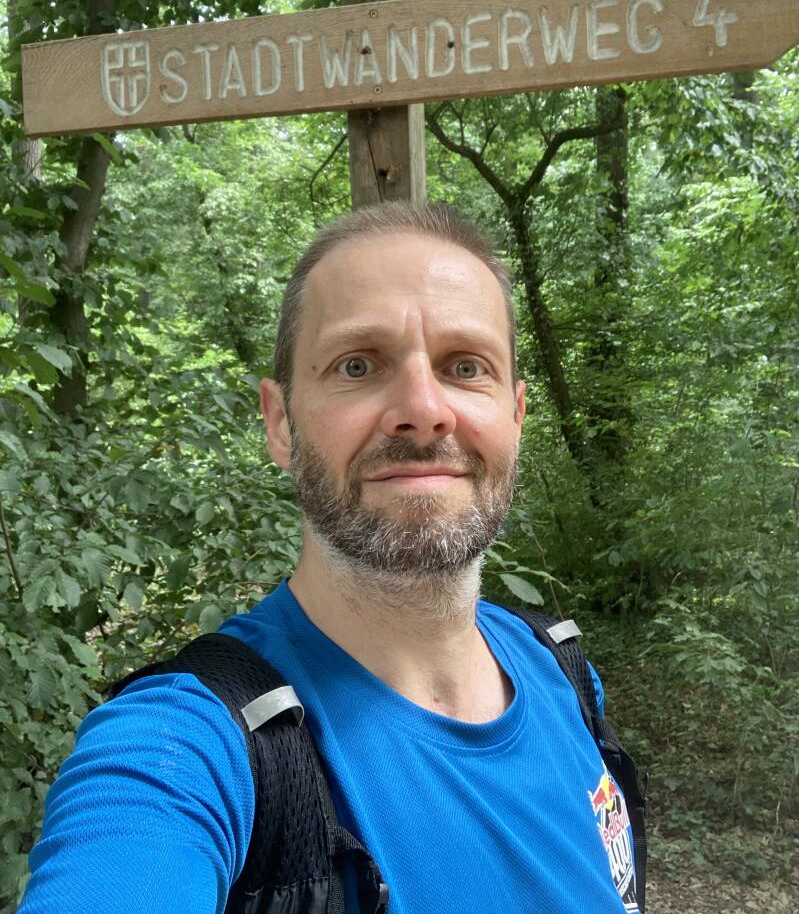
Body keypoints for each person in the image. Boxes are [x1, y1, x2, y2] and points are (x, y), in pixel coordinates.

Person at [19, 201, 640, 913]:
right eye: (357, 365)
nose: (422, 408)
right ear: (280, 423)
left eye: (466, 367)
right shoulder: (189, 746)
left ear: (516, 415)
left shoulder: (561, 669)